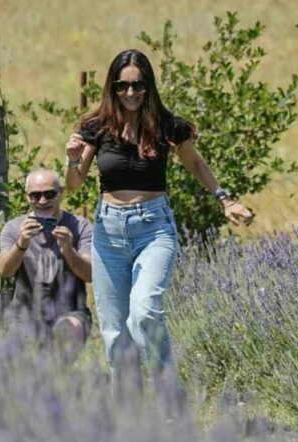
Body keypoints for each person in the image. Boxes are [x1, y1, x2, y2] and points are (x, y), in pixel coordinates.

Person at [65, 49, 253, 376]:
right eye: (123, 86)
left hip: (153, 228)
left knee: (143, 311)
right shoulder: (96, 126)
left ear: (149, 86)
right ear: (112, 88)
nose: (131, 93)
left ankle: (167, 389)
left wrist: (225, 199)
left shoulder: (166, 125)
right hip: (108, 232)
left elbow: (194, 162)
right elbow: (74, 184)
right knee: (114, 329)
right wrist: (71, 158)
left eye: (138, 86)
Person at [0, 169, 93, 359]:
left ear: (61, 193)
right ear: (27, 197)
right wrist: (21, 244)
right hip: (24, 315)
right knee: (15, 356)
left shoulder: (79, 226)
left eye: (49, 194)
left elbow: (90, 274)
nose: (42, 201)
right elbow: (5, 271)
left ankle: (60, 380)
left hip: (71, 311)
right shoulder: (14, 228)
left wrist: (68, 249)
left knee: (66, 331)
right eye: (35, 196)